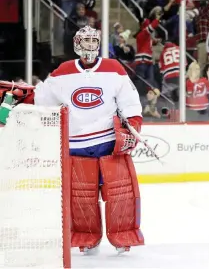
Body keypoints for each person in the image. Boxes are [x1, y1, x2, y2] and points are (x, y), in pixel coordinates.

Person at [34, 26, 144, 253]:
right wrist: (20, 95)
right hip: (77, 145)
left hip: (108, 143)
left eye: (94, 41)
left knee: (121, 193)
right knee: (81, 197)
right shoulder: (63, 72)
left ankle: (123, 236)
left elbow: (130, 102)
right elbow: (41, 98)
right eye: (86, 41)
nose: (90, 46)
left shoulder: (114, 68)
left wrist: (133, 125)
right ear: (77, 44)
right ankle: (85, 238)